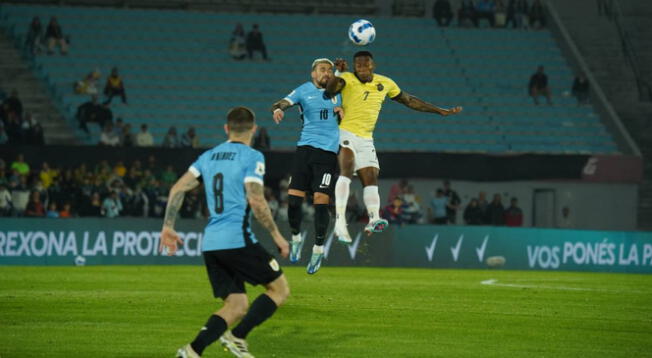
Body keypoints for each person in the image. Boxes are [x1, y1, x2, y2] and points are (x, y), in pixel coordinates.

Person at [160, 106, 290, 358]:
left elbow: (177, 188)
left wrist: (168, 226)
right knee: (279, 289)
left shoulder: (208, 157)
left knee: (237, 304)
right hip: (236, 240)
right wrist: (276, 235)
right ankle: (237, 337)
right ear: (253, 129)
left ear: (226, 129)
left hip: (211, 243)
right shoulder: (252, 157)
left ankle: (191, 351)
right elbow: (256, 199)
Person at [327, 51, 462, 242]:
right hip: (345, 133)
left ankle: (374, 218)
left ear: (373, 65)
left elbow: (409, 100)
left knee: (371, 176)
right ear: (354, 66)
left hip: (366, 139)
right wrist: (338, 73)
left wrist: (440, 111)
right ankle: (340, 223)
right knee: (346, 169)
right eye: (358, 65)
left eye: (366, 65)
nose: (362, 68)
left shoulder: (386, 83)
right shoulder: (346, 78)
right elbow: (330, 91)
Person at [270, 58, 342, 274]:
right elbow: (280, 102)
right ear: (313, 73)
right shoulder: (303, 90)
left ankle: (318, 250)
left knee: (321, 200)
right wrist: (278, 110)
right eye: (322, 69)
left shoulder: (340, 91)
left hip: (328, 154)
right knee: (293, 201)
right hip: (304, 151)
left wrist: (343, 113)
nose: (326, 73)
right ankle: (296, 237)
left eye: (329, 70)